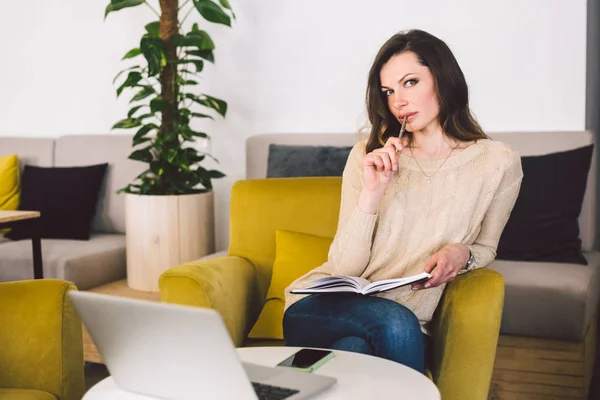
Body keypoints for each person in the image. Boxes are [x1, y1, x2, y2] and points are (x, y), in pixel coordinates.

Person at [282, 29, 524, 374]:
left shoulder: (498, 163)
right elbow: (345, 269)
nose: (398, 101)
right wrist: (372, 191)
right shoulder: (368, 156)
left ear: (443, 79)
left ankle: (291, 379)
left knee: (354, 351)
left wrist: (462, 253)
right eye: (389, 91)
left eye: (410, 82)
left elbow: (486, 246)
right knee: (393, 324)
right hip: (323, 308)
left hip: (409, 325)